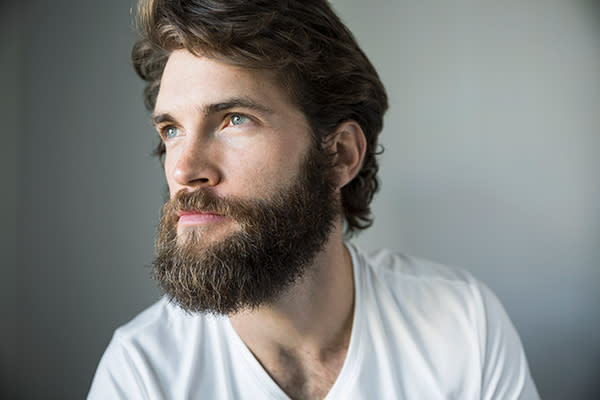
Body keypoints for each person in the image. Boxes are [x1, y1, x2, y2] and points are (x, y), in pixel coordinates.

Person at [88, 0, 539, 398]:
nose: (184, 171)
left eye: (234, 119)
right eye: (171, 130)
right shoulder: (141, 374)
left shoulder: (462, 327)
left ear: (339, 155)